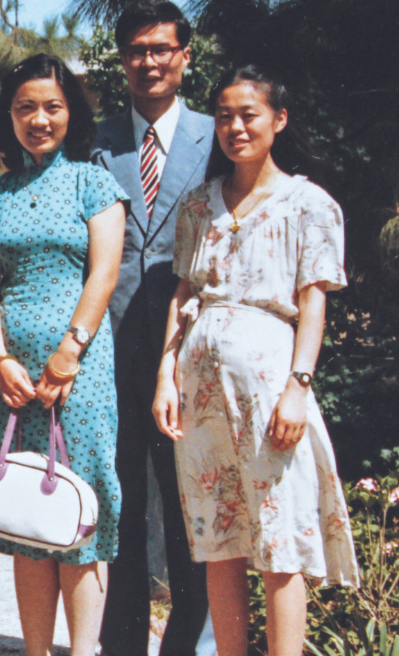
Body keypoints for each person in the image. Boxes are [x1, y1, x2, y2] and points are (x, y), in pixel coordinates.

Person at [153, 67, 359, 656]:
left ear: (278, 120)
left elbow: (312, 303)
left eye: (249, 115)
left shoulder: (308, 203)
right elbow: (184, 293)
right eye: (224, 116)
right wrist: (166, 375)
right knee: (219, 536)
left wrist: (298, 386)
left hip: (269, 383)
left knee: (278, 534)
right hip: (200, 386)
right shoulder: (198, 204)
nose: (235, 127)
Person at [0, 54, 127, 656]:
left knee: (80, 508)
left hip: (77, 370)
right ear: (9, 116)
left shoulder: (93, 181)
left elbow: (104, 273)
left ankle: (84, 650)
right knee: (26, 513)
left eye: (52, 107)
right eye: (25, 107)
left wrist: (69, 351)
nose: (39, 119)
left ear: (71, 114)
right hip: (9, 377)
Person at [93, 0, 215, 656]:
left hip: (188, 351)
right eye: (137, 50)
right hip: (110, 349)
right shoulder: (99, 138)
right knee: (122, 504)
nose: (148, 61)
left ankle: (188, 645)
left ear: (184, 57)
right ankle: (121, 646)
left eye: (161, 48)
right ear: (122, 60)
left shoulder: (215, 134)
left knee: (188, 507)